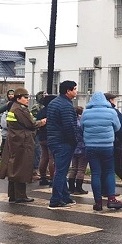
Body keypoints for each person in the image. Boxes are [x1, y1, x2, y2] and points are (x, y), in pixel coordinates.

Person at [0, 88, 46, 203]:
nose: (27, 100)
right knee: (21, 168)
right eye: (25, 97)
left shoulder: (13, 107)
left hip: (15, 140)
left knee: (13, 168)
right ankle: (20, 196)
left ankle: (13, 195)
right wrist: (42, 122)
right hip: (22, 141)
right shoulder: (20, 110)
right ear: (18, 98)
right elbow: (31, 124)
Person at [81, 92, 122, 211]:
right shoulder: (111, 112)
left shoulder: (86, 113)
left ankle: (98, 202)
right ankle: (111, 199)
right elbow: (117, 127)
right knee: (109, 171)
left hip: (90, 146)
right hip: (107, 146)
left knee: (95, 173)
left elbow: (82, 127)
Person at [46, 80, 79, 210]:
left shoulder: (54, 103)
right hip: (63, 142)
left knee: (61, 169)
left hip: (54, 141)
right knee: (61, 171)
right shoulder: (66, 105)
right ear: (68, 91)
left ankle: (65, 197)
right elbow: (69, 126)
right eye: (74, 89)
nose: (76, 91)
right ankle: (55, 200)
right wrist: (74, 141)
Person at [104, 93, 122, 187]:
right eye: (113, 99)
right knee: (111, 168)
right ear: (110, 100)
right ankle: (109, 191)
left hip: (95, 144)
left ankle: (101, 191)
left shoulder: (91, 111)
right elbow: (120, 128)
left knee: (99, 170)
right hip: (114, 143)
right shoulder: (114, 112)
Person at [35, 95, 57, 186]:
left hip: (42, 136)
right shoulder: (52, 111)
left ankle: (43, 178)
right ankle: (52, 179)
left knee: (44, 157)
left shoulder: (41, 111)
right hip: (51, 136)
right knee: (52, 158)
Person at [68, 106, 89, 195]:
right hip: (82, 147)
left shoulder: (72, 122)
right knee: (81, 169)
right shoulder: (81, 123)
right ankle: (78, 188)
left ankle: (71, 187)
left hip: (73, 147)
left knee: (73, 168)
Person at [0, 89, 15, 155]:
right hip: (6, 130)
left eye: (12, 94)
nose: (11, 96)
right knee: (4, 142)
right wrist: (7, 104)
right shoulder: (4, 103)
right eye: (9, 94)